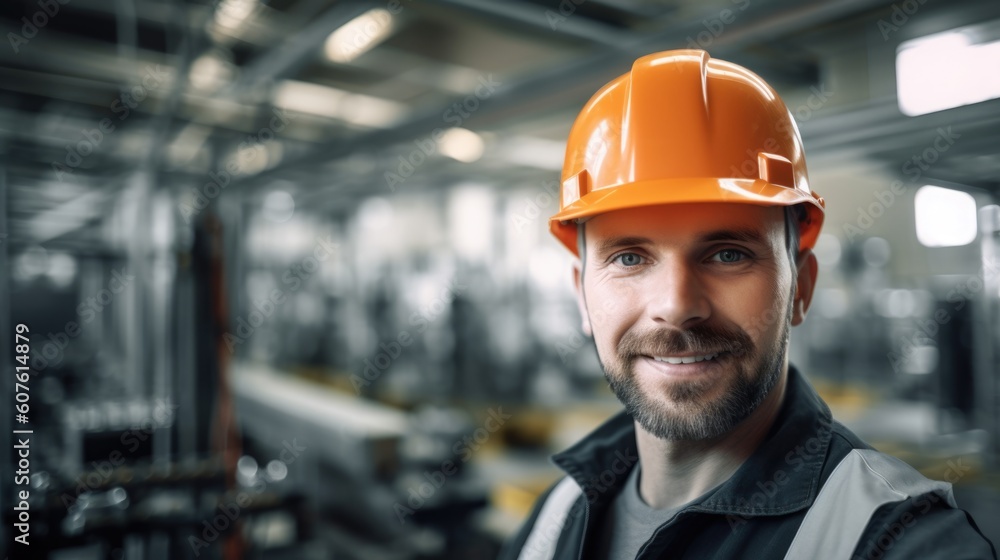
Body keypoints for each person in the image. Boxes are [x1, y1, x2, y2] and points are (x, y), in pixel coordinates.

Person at [499, 49, 996, 560]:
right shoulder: (554, 520)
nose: (676, 305)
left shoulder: (898, 540)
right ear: (582, 293)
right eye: (629, 258)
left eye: (728, 254)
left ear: (800, 286)